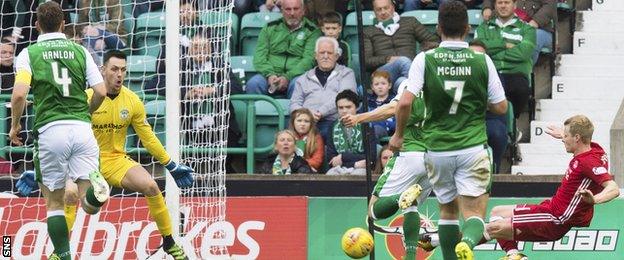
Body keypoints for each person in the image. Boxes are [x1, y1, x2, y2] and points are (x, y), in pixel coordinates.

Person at [16, 50, 195, 259]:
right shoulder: (86, 98)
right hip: (85, 161)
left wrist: (170, 165)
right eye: (114, 69)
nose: (119, 74)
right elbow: (63, 134)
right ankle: (60, 252)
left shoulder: (132, 101)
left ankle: (169, 242)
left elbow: (148, 138)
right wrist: (36, 166)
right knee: (71, 194)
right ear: (103, 70)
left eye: (123, 70)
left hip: (115, 160)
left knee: (151, 186)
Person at [389, 2, 508, 259]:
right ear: (467, 28)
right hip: (473, 147)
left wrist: (398, 135)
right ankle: (467, 241)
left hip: (438, 149)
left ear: (438, 27)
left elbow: (406, 102)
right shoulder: (481, 60)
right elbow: (501, 106)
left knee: (447, 211)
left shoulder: (425, 58)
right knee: (474, 214)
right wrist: (475, 99)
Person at [10, 2, 111, 259]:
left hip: (50, 129)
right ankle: (95, 194)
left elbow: (20, 94)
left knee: (54, 203)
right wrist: (86, 113)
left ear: (37, 25)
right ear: (64, 24)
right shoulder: (79, 50)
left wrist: (15, 126)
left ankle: (64, 256)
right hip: (82, 128)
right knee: (86, 203)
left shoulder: (28, 53)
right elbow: (101, 91)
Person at [481, 115, 620, 260]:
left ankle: (461, 244)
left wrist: (594, 200)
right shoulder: (595, 149)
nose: (563, 140)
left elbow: (613, 188)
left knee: (493, 228)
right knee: (497, 212)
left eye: (566, 136)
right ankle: (514, 255)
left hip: (555, 220)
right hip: (550, 208)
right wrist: (563, 134)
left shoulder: (588, 162)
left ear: (577, 137)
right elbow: (583, 142)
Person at [342, 83, 434, 258]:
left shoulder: (412, 82)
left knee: (374, 210)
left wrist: (359, 118)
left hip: (411, 153)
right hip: (437, 158)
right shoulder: (447, 85)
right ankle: (410, 256)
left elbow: (395, 107)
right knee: (411, 205)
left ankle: (399, 197)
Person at [246, 0, 322, 98]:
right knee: (253, 83)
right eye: (288, 9)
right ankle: (255, 113)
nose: (292, 13)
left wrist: (287, 77)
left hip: (295, 76)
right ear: (282, 11)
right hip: (269, 75)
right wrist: (270, 75)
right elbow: (259, 56)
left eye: (296, 9)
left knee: (298, 85)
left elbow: (308, 60)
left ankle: (295, 113)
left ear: (303, 10)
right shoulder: (269, 27)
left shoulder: (312, 31)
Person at [475, 0, 535, 120]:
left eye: (507, 2)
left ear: (515, 5)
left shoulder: (527, 29)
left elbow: (523, 54)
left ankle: (512, 123)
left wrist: (493, 51)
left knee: (521, 89)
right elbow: (478, 51)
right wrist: (504, 44)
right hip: (491, 73)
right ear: (495, 6)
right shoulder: (483, 28)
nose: (503, 6)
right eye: (499, 2)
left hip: (515, 73)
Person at [289, 36, 357, 143]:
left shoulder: (346, 73)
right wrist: (307, 113)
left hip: (334, 121)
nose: (325, 56)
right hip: (306, 122)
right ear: (315, 56)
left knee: (326, 134)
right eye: (322, 53)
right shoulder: (303, 78)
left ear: (336, 56)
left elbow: (345, 97)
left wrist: (320, 112)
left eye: (329, 53)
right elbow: (294, 104)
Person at [364, 0, 439, 93]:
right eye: (379, 9)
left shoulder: (410, 22)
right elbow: (366, 61)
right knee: (403, 61)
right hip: (383, 76)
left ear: (393, 7)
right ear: (374, 12)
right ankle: (424, 92)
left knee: (402, 82)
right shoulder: (368, 31)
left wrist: (421, 54)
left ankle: (412, 89)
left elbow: (432, 41)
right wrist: (387, 59)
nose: (383, 12)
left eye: (386, 8)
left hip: (407, 71)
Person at [482, 0, 555, 64]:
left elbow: (550, 6)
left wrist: (536, 21)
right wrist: (487, 8)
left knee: (534, 37)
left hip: (540, 29)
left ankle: (523, 72)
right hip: (510, 26)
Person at [326, 90, 376, 175]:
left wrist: (343, 157)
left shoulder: (366, 125)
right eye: (340, 108)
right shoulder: (332, 127)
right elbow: (332, 160)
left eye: (348, 107)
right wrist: (354, 163)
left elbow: (371, 157)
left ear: (356, 107)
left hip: (362, 168)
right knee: (330, 175)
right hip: (340, 168)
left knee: (357, 175)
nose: (344, 111)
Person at [367, 70, 396, 139]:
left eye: (383, 83)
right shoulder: (368, 102)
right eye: (376, 84)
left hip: (387, 131)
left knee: (375, 130)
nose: (380, 87)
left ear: (389, 85)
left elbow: (398, 121)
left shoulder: (394, 101)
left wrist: (386, 124)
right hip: (371, 129)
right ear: (372, 87)